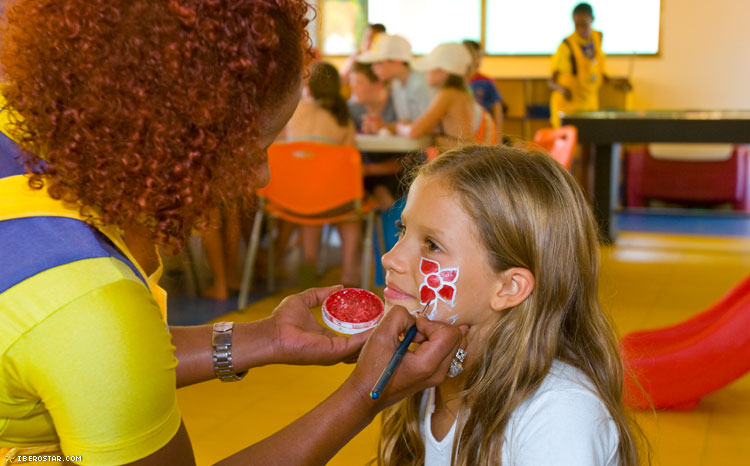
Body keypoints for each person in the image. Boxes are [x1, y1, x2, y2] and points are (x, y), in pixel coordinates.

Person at [0, 2, 465, 465]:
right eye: (255, 146)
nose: (262, 175)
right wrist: (365, 393)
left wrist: (266, 338)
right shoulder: (90, 303)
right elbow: (98, 342)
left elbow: (90, 364)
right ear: (175, 138)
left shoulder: (21, 125)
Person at [378, 145, 648, 465]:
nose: (390, 258)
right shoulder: (427, 371)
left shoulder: (559, 417)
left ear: (508, 287)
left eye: (433, 245)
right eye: (402, 229)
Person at [282, 61, 361, 287]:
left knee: (311, 203)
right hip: (335, 199)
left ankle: (309, 260)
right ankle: (348, 271)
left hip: (295, 198)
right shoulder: (342, 119)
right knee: (349, 211)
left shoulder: (295, 110)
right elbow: (351, 162)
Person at [397, 43, 497, 153]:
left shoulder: (447, 95)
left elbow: (414, 132)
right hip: (465, 157)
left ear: (444, 72)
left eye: (430, 68)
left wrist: (399, 127)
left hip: (458, 160)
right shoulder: (461, 93)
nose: (426, 72)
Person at [548, 2, 631, 128]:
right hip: (568, 107)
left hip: (589, 104)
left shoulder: (598, 38)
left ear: (592, 20)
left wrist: (617, 84)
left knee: (590, 142)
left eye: (584, 24)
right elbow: (551, 82)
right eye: (577, 25)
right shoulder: (566, 46)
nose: (580, 29)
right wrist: (563, 90)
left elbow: (598, 75)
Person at [347, 62, 402, 210]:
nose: (352, 87)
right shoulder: (350, 109)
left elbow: (407, 161)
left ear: (378, 84)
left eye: (358, 82)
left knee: (383, 190)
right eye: (351, 82)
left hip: (396, 173)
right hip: (362, 173)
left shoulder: (398, 107)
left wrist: (366, 169)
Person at [357, 34, 433, 131]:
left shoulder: (420, 83)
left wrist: (385, 127)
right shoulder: (396, 84)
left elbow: (426, 128)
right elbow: (405, 122)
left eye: (378, 62)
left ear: (397, 61)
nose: (373, 68)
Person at [462, 40, 504, 142]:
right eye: (477, 57)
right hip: (464, 130)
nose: (479, 61)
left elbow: (497, 108)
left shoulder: (486, 81)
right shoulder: (458, 81)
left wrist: (499, 136)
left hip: (483, 129)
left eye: (480, 57)